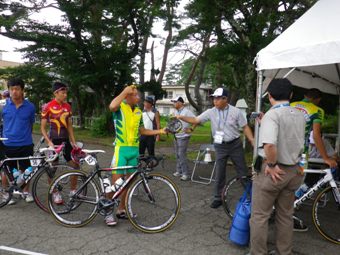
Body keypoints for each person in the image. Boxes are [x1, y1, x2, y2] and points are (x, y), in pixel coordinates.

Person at [249, 78, 305, 255]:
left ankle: (258, 252)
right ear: (290, 95)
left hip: (273, 171)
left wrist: (271, 164)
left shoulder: (272, 115)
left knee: (260, 216)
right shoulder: (299, 114)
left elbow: (270, 145)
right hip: (293, 171)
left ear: (269, 95)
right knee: (285, 216)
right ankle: (284, 252)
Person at [176, 88, 254, 207]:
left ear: (225, 99)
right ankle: (218, 197)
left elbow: (245, 127)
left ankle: (251, 196)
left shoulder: (236, 112)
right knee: (219, 172)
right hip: (220, 146)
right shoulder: (211, 111)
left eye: (218, 98)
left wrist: (252, 140)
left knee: (242, 171)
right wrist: (182, 117)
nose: (215, 101)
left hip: (235, 144)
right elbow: (196, 119)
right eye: (214, 98)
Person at [108, 85, 167, 226]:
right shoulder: (120, 107)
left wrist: (160, 131)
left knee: (128, 185)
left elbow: (143, 130)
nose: (139, 97)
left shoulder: (139, 112)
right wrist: (125, 90)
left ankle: (122, 209)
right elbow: (111, 106)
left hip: (134, 151)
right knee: (115, 185)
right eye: (135, 95)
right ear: (128, 96)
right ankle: (108, 212)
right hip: (121, 150)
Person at [40, 81, 79, 204]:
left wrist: (73, 141)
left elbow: (69, 126)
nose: (65, 95)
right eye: (63, 92)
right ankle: (55, 192)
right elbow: (42, 127)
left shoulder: (67, 106)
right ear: (56, 93)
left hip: (65, 140)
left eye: (66, 92)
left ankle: (73, 191)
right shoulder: (48, 106)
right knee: (52, 168)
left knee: (75, 165)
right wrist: (49, 142)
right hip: (53, 141)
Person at [1, 77, 36, 203]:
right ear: (9, 90)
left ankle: (26, 191)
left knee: (26, 170)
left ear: (22, 90)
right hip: (8, 144)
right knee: (7, 171)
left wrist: (26, 136)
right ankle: (6, 193)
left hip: (25, 143)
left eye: (17, 89)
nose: (14, 92)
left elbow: (31, 124)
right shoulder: (3, 106)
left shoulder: (30, 107)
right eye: (11, 89)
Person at [291, 89, 337, 168]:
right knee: (301, 174)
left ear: (305, 96)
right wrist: (325, 158)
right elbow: (316, 135)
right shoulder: (317, 111)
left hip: (283, 149)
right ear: (318, 99)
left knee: (282, 176)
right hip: (302, 152)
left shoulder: (290, 105)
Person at [171, 96, 197, 181]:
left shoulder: (187, 111)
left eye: (175, 102)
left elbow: (196, 120)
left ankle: (186, 173)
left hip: (184, 136)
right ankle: (179, 171)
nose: (174, 103)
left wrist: (191, 129)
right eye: (173, 102)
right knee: (177, 154)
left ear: (180, 102)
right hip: (176, 135)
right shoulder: (175, 111)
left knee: (181, 155)